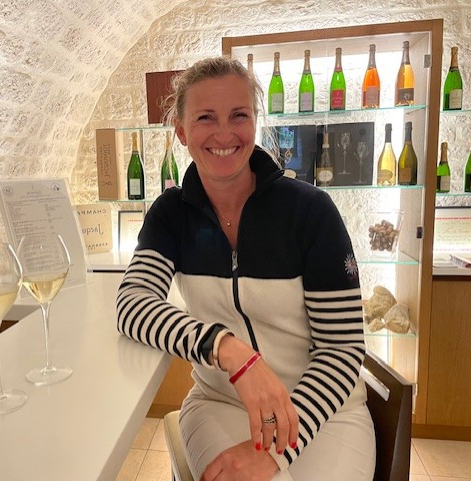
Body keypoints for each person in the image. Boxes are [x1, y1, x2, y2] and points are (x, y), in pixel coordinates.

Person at [116, 56, 375, 481]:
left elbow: (342, 350)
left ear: (255, 121)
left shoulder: (311, 211)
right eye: (205, 117)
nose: (224, 133)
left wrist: (275, 451)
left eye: (239, 115)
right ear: (181, 131)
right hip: (220, 404)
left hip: (325, 409)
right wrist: (229, 350)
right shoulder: (170, 215)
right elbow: (133, 306)